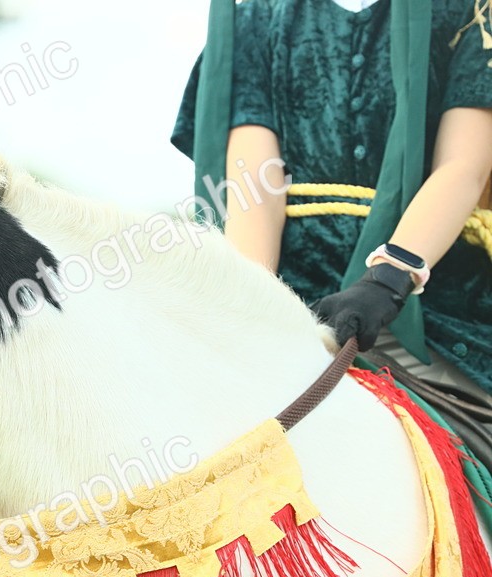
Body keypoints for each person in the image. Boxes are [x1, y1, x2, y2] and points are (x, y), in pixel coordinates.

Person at [172, 0, 492, 399]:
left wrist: (389, 280)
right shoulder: (255, 16)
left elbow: (464, 167)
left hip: (423, 311)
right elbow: (256, 184)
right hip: (296, 298)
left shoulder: (469, 9)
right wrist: (254, 309)